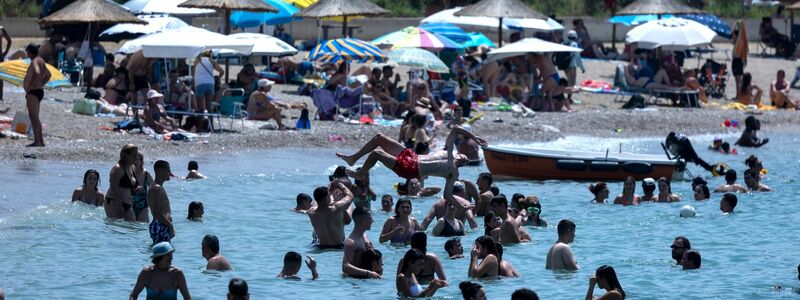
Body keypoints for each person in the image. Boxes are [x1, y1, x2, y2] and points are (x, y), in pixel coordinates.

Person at [308, 183, 354, 249]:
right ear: (327, 198)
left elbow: (317, 203)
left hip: (321, 247)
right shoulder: (337, 208)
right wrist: (341, 185)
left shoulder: (311, 212)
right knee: (350, 207)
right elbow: (350, 196)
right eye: (329, 195)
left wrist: (329, 188)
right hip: (339, 247)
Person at [23, 43, 51, 147]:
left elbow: (37, 72)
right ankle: (41, 141)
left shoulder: (34, 61)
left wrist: (30, 86)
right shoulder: (41, 60)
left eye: (27, 52)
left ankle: (37, 141)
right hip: (39, 91)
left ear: (29, 52)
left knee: (33, 118)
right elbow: (48, 75)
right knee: (36, 118)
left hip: (33, 92)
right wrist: (41, 83)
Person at [343, 206, 380, 278]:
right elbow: (345, 266)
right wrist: (368, 273)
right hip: (354, 282)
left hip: (365, 278)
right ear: (362, 220)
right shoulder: (351, 242)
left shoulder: (365, 236)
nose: (372, 220)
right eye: (370, 218)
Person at [106, 144, 138, 220]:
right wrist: (119, 205)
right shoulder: (118, 168)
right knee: (116, 229)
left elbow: (130, 185)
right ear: (126, 155)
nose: (136, 158)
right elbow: (113, 188)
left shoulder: (132, 167)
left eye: (136, 155)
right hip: (114, 202)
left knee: (131, 229)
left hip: (128, 204)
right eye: (133, 155)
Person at [148, 160, 175, 244]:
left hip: (161, 225)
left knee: (161, 253)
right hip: (160, 225)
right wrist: (170, 226)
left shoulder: (156, 186)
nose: (170, 173)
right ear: (159, 171)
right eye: (168, 170)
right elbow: (156, 212)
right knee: (162, 254)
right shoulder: (156, 188)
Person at [132, 153, 153, 222]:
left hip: (142, 206)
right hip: (129, 205)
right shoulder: (127, 173)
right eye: (132, 159)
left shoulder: (146, 174)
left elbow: (154, 189)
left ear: (141, 161)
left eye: (135, 159)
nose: (133, 161)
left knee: (142, 227)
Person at [0, 26, 10, 101]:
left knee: (0, 77)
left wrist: (5, 52)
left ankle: (0, 97)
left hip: (0, 57)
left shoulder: (1, 29)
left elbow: (9, 41)